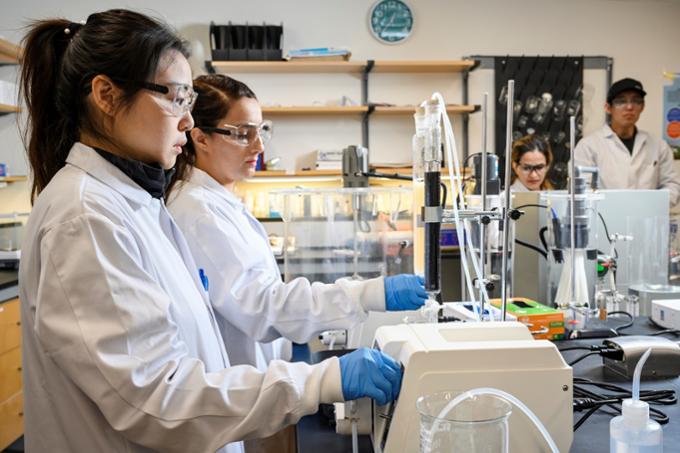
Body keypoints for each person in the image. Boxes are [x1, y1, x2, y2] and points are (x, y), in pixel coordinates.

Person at [18, 10, 402, 453]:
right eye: (177, 99)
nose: (186, 121)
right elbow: (158, 397)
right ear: (106, 94)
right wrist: (322, 379)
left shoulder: (136, 203)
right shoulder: (85, 218)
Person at [166, 74, 426, 369]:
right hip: (240, 385)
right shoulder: (199, 213)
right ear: (200, 138)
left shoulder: (216, 201)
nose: (259, 146)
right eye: (242, 133)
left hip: (260, 377)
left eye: (262, 130)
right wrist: (368, 294)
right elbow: (263, 306)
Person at [574, 77, 680, 207]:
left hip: (647, 221)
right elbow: (581, 190)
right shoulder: (588, 146)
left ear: (643, 107)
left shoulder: (658, 146)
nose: (629, 107)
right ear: (608, 108)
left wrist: (650, 205)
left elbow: (672, 185)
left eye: (636, 101)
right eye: (621, 101)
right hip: (606, 222)